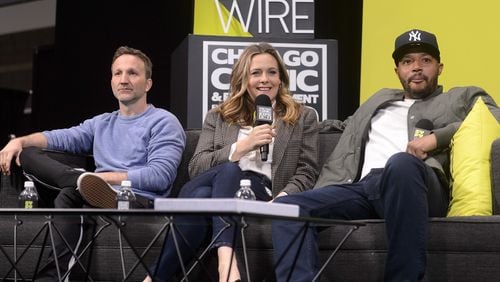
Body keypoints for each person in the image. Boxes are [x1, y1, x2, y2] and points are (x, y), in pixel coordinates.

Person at [272, 29, 500, 281]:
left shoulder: (461, 97)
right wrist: (283, 123)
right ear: (397, 71)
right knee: (287, 209)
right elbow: (342, 126)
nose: (416, 67)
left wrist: (436, 138)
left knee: (402, 163)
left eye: (425, 60)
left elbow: (492, 118)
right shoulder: (379, 99)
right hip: (362, 188)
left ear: (439, 67)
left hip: (417, 184)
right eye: (407, 61)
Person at [0, 46, 186, 280]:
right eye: (117, 73)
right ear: (111, 81)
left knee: (70, 194)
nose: (124, 79)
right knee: (28, 153)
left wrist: (99, 179)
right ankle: (76, 181)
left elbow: (159, 176)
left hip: (137, 198)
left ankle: (51, 277)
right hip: (92, 193)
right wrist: (19, 141)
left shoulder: (163, 122)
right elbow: (61, 137)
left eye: (132, 73)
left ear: (148, 84)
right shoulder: (102, 123)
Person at [144, 42, 319, 282]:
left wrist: (282, 199)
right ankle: (227, 264)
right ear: (243, 79)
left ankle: (153, 278)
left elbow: (307, 170)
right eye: (255, 73)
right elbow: (196, 167)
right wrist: (242, 147)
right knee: (227, 169)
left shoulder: (302, 116)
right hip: (214, 180)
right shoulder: (219, 116)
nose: (264, 79)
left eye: (272, 72)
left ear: (281, 78)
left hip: (259, 192)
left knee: (202, 199)